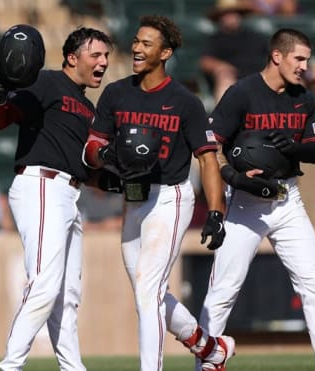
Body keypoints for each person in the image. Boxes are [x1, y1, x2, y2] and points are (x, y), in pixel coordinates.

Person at [83, 15, 232, 371]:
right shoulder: (116, 93)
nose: (136, 47)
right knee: (146, 293)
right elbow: (92, 146)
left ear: (165, 52)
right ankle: (210, 349)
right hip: (134, 198)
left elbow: (208, 160)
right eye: (136, 41)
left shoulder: (185, 101)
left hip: (171, 197)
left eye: (146, 43)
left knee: (147, 290)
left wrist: (216, 212)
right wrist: (104, 155)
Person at [199, 28, 315, 371]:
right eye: (299, 58)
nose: (305, 66)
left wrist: (295, 147)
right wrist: (234, 177)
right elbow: (209, 147)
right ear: (278, 56)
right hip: (244, 203)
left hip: (287, 199)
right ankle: (207, 364)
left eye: (307, 58)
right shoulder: (241, 93)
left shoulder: (303, 97)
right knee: (223, 290)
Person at [0, 26, 113, 371]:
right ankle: (10, 366)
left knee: (68, 295)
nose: (103, 62)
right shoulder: (46, 81)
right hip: (41, 185)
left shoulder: (88, 107)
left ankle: (73, 368)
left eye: (106, 56)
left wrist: (113, 174)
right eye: (96, 54)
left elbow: (89, 168)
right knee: (44, 283)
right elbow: (0, 120)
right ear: (73, 57)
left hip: (70, 193)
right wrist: (0, 99)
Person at [200, 0, 270, 102]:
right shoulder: (215, 39)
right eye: (227, 13)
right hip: (233, 81)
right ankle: (224, 116)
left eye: (234, 12)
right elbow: (205, 62)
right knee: (225, 80)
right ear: (220, 17)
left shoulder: (255, 37)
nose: (231, 16)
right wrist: (220, 66)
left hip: (259, 79)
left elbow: (272, 56)